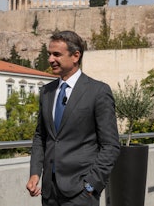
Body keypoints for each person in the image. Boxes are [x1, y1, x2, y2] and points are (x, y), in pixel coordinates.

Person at [26, 30, 120, 206]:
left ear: (75, 56)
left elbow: (111, 145)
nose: (50, 59)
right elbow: (41, 136)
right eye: (49, 54)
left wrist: (92, 185)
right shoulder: (46, 92)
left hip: (82, 193)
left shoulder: (98, 92)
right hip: (49, 192)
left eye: (57, 54)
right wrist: (35, 173)